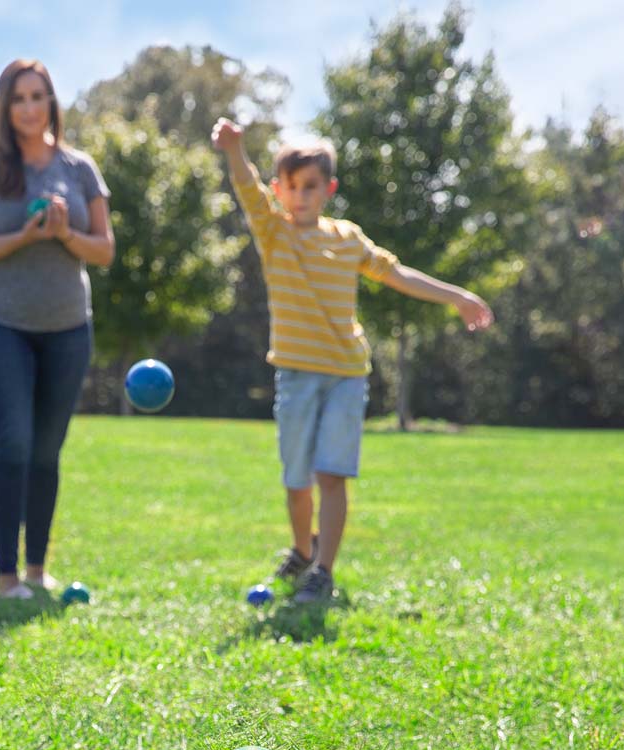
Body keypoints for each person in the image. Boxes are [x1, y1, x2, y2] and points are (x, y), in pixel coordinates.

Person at [211, 118, 493, 603]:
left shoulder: (347, 239)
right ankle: (303, 551)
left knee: (332, 475)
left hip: (345, 375)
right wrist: (235, 151)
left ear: (328, 189)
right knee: (296, 481)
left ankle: (323, 570)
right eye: (291, 187)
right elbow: (245, 188)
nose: (300, 196)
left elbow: (398, 273)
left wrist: (457, 297)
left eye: (311, 187)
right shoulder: (273, 232)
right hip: (296, 377)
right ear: (279, 189)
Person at [0, 59, 114, 598]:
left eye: (37, 96)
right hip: (0, 325)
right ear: (4, 106)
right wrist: (24, 236)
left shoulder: (81, 168)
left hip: (68, 328)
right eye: (18, 98)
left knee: (48, 450)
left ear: (51, 103)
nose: (28, 107)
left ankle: (38, 570)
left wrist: (66, 234)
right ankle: (5, 578)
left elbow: (105, 250)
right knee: (15, 444)